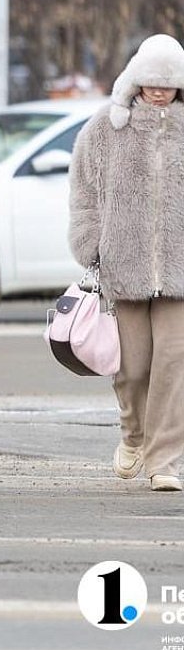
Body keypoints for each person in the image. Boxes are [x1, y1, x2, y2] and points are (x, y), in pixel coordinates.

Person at [69, 33, 184, 493]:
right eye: (151, 81)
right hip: (124, 266)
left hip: (179, 272)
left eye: (168, 82)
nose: (158, 90)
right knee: (133, 368)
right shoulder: (106, 127)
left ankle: (163, 460)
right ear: (135, 80)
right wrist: (89, 241)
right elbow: (83, 190)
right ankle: (133, 433)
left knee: (173, 365)